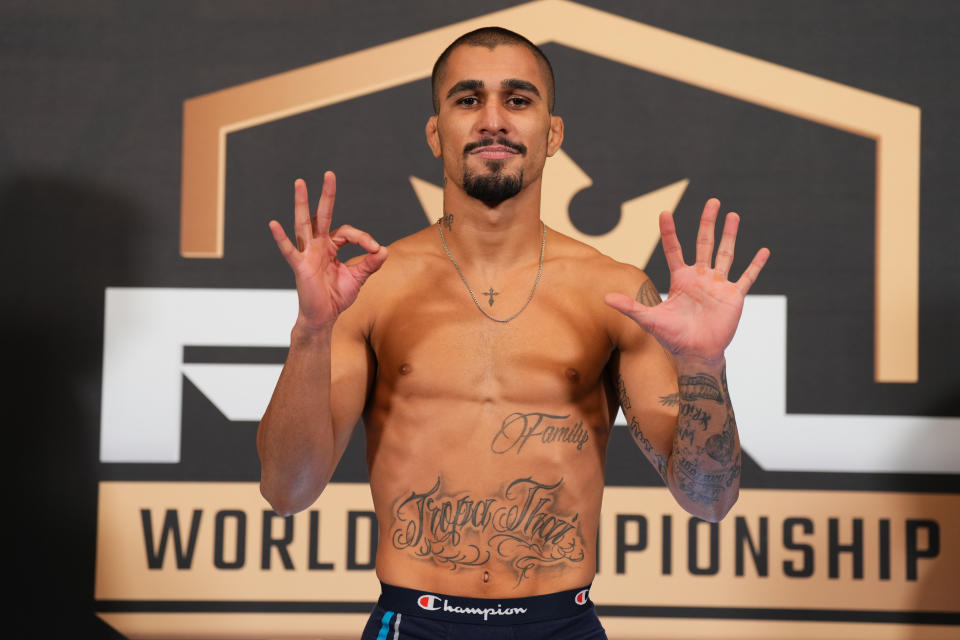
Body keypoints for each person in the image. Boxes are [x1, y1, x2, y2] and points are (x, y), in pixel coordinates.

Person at [257, 26, 769, 640]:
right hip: (416, 624)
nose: (493, 119)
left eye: (518, 100)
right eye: (468, 99)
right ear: (435, 131)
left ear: (552, 133)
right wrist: (313, 332)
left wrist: (704, 365)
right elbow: (287, 492)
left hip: (561, 624)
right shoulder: (375, 289)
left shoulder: (613, 292)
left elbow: (708, 500)